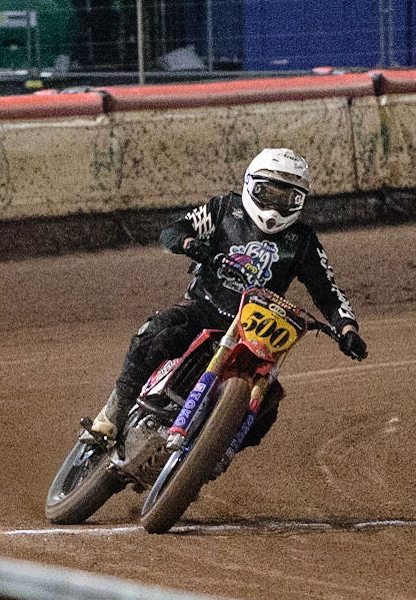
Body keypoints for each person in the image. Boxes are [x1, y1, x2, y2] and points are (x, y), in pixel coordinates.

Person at [90, 147, 368, 451]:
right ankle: (113, 413)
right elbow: (174, 229)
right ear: (250, 184)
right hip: (202, 308)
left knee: (267, 405)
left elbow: (327, 290)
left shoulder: (302, 241)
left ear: (300, 202)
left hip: (252, 334)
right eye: (268, 192)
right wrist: (189, 242)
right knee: (154, 334)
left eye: (287, 198)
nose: (275, 205)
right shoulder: (224, 209)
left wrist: (347, 329)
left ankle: (209, 458)